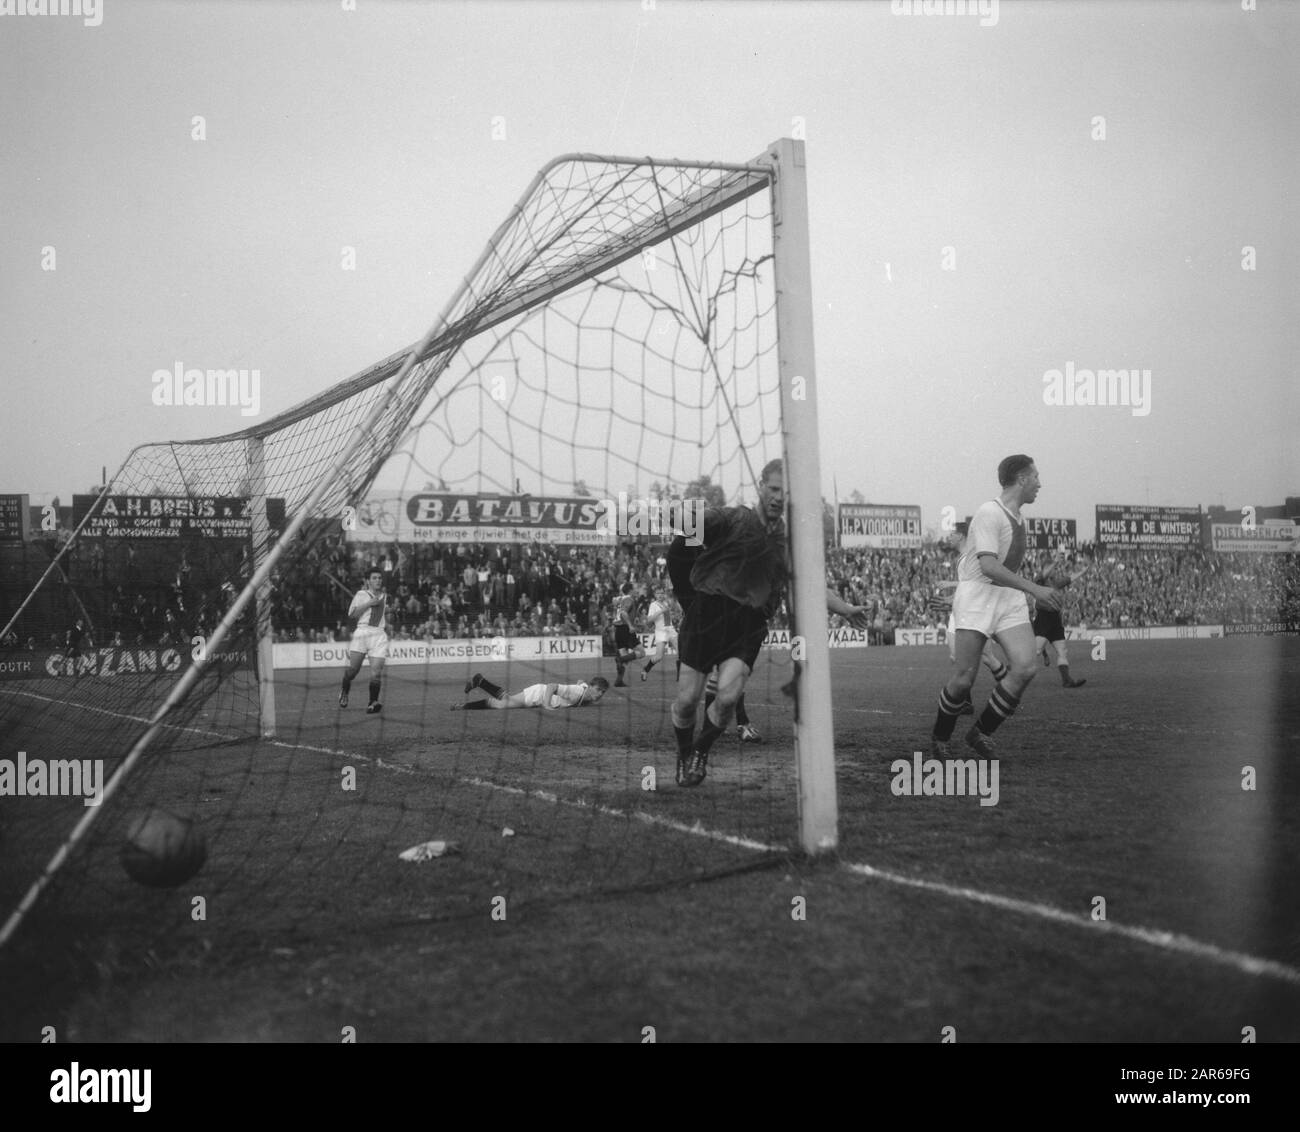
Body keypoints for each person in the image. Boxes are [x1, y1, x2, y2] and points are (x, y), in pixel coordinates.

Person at [672, 458, 871, 787]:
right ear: (761, 487)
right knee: (686, 703)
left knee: (726, 700)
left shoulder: (789, 543)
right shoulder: (733, 518)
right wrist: (682, 517)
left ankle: (700, 752)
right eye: (774, 489)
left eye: (785, 491)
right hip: (706, 615)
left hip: (748, 624)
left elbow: (809, 582)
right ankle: (683, 754)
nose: (779, 497)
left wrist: (845, 608)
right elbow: (688, 530)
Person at [929, 455, 1063, 758]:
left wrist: (1026, 590)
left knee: (1026, 666)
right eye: (1036, 477)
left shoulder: (1018, 517)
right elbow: (988, 566)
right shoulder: (990, 512)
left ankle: (981, 732)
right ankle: (940, 736)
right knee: (964, 678)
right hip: (978, 597)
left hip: (1007, 597)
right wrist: (1034, 589)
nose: (1040, 484)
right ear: (1022, 479)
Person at [340, 568, 388, 714]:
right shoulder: (361, 594)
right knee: (353, 671)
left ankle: (372, 702)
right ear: (368, 581)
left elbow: (379, 613)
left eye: (379, 578)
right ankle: (344, 690)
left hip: (379, 635)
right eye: (374, 578)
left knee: (376, 672)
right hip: (362, 633)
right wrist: (368, 603)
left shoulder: (384, 596)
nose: (378, 580)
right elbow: (352, 614)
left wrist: (389, 610)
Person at [1032, 557, 1087, 688]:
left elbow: (1071, 578)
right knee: (1037, 650)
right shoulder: (1039, 580)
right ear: (1046, 568)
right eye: (1053, 568)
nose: (1055, 571)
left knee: (1062, 651)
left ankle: (1067, 680)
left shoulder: (1055, 582)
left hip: (1055, 619)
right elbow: (1045, 573)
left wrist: (1084, 571)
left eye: (1056, 568)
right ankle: (1014, 667)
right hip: (1044, 618)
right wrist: (1055, 562)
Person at [452, 672, 609, 709]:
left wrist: (583, 684)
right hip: (539, 694)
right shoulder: (578, 692)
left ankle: (479, 682)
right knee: (504, 704)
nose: (600, 694)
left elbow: (581, 683)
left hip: (539, 693)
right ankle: (480, 681)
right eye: (599, 690)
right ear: (592, 687)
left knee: (503, 703)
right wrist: (547, 705)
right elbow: (552, 686)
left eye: (603, 692)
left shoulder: (584, 690)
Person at [640, 586, 679, 679]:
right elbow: (649, 619)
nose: (660, 595)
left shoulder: (666, 603)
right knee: (658, 656)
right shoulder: (653, 605)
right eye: (658, 593)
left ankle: (679, 675)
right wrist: (661, 611)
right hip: (660, 631)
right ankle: (645, 670)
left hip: (670, 629)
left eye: (662, 593)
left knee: (680, 652)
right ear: (655, 595)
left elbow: (670, 614)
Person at [611, 582, 645, 686]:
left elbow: (615, 603)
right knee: (641, 653)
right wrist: (630, 625)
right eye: (634, 588)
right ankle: (620, 659)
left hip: (618, 630)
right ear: (630, 590)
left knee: (625, 656)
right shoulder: (629, 599)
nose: (636, 590)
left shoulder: (620, 599)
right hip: (625, 629)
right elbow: (623, 613)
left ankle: (619, 681)